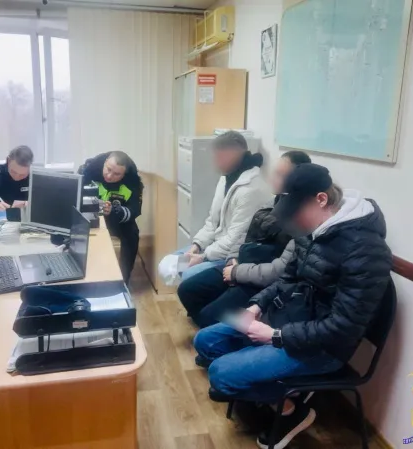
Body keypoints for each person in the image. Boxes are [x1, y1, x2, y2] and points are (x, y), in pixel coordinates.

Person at [193, 164, 393, 449]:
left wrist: (275, 337)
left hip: (323, 347)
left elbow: (344, 328)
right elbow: (286, 280)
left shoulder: (367, 251)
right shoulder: (311, 231)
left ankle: (290, 410)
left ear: (321, 199)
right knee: (205, 341)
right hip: (287, 319)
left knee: (220, 376)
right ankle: (268, 381)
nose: (293, 220)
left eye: (297, 211)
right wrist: (256, 306)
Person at [177, 151, 312, 328]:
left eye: (280, 175)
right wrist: (229, 258)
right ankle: (214, 325)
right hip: (235, 261)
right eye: (275, 172)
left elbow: (278, 270)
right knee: (185, 286)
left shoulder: (299, 219)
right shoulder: (270, 201)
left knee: (205, 313)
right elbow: (239, 233)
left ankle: (221, 327)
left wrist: (231, 269)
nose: (272, 178)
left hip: (252, 277)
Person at [164, 131, 271, 282]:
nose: (215, 162)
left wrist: (203, 257)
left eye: (219, 157)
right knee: (168, 264)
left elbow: (234, 240)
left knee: (189, 274)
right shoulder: (226, 178)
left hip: (232, 256)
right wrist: (196, 245)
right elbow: (212, 221)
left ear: (232, 155)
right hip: (214, 247)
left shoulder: (251, 189)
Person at [79, 151, 143, 283]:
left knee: (132, 234)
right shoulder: (88, 173)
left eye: (117, 174)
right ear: (105, 162)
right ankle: (82, 274)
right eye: (108, 169)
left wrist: (115, 211)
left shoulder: (132, 183)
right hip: (89, 216)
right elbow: (76, 199)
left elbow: (134, 210)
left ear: (124, 174)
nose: (109, 176)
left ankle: (123, 280)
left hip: (116, 219)